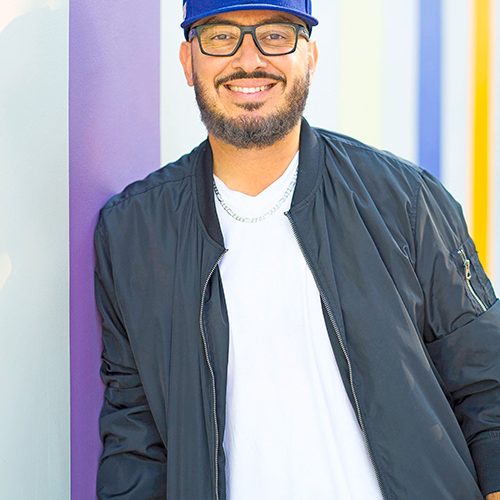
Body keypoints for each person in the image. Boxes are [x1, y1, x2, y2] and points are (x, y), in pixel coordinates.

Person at [94, 1, 500, 498]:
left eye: (276, 35)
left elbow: (487, 383)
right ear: (187, 61)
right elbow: (134, 435)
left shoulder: (405, 201)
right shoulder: (133, 233)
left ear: (310, 56)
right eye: (221, 37)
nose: (249, 59)